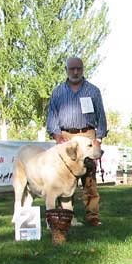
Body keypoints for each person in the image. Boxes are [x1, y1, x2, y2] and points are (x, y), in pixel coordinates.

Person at [47, 57, 107, 227]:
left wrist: (98, 140)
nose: (75, 72)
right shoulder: (58, 91)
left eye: (78, 68)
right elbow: (52, 117)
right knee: (64, 179)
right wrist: (58, 138)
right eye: (72, 68)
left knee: (90, 181)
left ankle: (92, 216)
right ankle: (66, 216)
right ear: (66, 69)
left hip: (88, 135)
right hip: (66, 138)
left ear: (82, 69)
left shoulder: (93, 91)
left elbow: (101, 117)